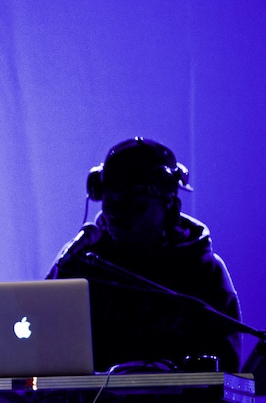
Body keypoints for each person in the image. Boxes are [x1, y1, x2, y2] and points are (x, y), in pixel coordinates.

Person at [48, 136, 242, 374]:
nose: (117, 214)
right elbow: (42, 343)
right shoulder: (80, 264)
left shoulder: (203, 270)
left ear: (168, 203)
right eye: (110, 202)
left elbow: (225, 369)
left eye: (133, 204)